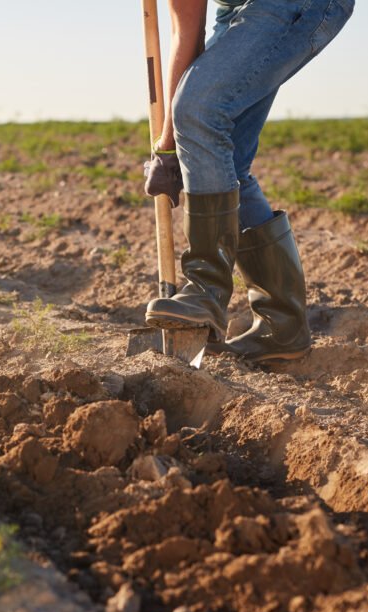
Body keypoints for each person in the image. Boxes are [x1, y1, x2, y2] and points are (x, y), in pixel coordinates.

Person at [143, 0, 354, 362]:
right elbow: (186, 35)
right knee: (228, 160)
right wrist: (168, 148)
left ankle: (206, 289)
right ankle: (282, 329)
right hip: (239, 11)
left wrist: (170, 142)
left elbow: (193, 104)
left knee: (201, 110)